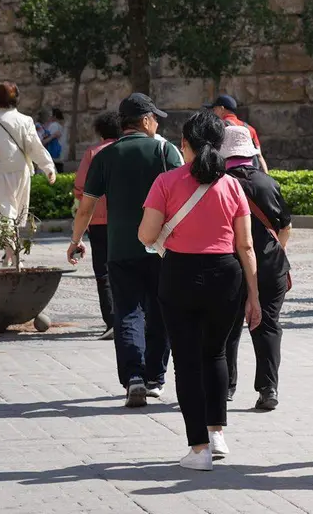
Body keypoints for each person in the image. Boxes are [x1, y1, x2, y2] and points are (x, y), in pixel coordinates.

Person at [138, 111, 262, 471]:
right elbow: (247, 246)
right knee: (216, 355)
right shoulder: (232, 186)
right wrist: (254, 295)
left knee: (187, 362)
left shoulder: (166, 181)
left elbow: (146, 236)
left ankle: (199, 449)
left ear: (185, 145)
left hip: (179, 273)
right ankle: (218, 431)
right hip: (227, 274)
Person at [68, 93, 179, 408]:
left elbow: (86, 206)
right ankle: (155, 378)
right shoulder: (165, 150)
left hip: (119, 250)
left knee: (128, 312)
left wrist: (76, 240)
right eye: (154, 117)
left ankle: (133, 377)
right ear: (145, 120)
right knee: (160, 312)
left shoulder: (105, 155)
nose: (156, 122)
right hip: (160, 248)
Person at [222, 126, 292, 410]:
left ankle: (225, 387)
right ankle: (268, 389)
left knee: (227, 328)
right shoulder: (267, 183)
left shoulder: (219, 183)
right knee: (267, 325)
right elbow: (285, 226)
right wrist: (275, 252)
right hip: (270, 265)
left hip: (230, 265)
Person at [0, 82, 56, 263]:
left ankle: (11, 254)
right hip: (20, 173)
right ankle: (11, 255)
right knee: (13, 215)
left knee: (4, 215)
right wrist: (48, 168)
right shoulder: (25, 121)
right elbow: (35, 147)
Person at [73, 112, 122, 339]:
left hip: (98, 221)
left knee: (103, 271)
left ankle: (111, 319)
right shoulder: (126, 151)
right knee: (126, 269)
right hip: (126, 220)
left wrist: (77, 236)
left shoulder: (93, 153)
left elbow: (80, 190)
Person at [205, 94, 268, 172]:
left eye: (214, 109)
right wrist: (266, 178)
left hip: (226, 175)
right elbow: (259, 156)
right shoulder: (250, 129)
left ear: (222, 108)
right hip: (249, 175)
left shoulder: (216, 128)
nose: (213, 112)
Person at [39, 108, 66, 172]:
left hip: (53, 156)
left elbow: (45, 140)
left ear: (54, 116)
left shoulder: (54, 125)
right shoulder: (60, 126)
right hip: (59, 156)